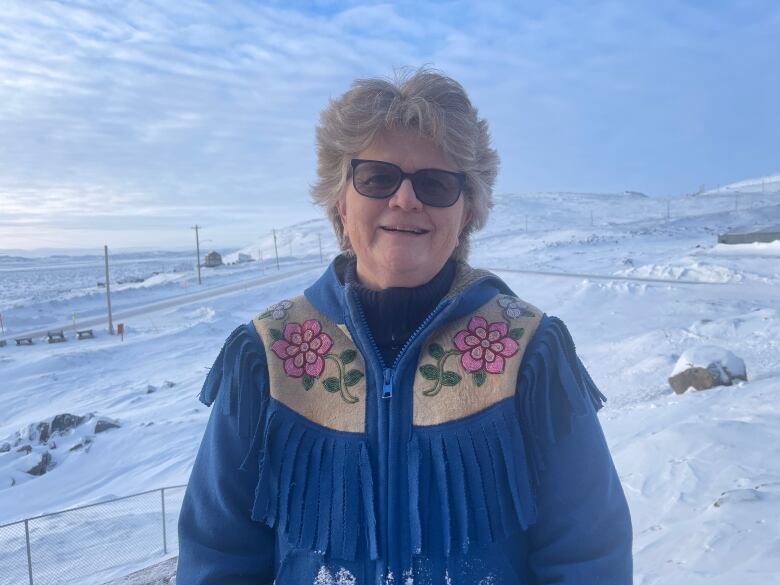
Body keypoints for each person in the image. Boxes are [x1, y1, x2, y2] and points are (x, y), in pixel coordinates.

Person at [177, 68, 633, 584]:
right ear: (339, 201)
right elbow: (219, 557)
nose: (405, 199)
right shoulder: (270, 358)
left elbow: (589, 556)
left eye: (436, 184)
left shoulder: (528, 355)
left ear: (466, 212)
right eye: (377, 177)